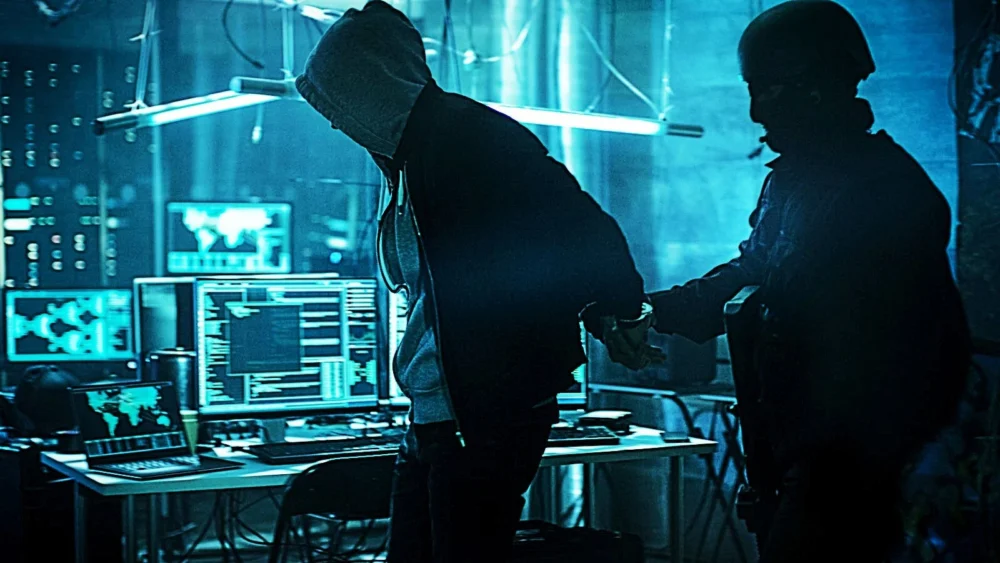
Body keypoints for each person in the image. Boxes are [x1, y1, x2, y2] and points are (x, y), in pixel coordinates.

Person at [600, 1, 971, 561]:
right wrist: (650, 311)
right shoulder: (798, 181)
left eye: (768, 89)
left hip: (854, 464)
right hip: (808, 454)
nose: (756, 111)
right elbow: (754, 271)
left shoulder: (884, 189)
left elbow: (898, 349)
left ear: (816, 87)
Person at [294, 2, 661, 561]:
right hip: (438, 417)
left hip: (482, 418)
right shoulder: (411, 159)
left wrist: (621, 314)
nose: (335, 121)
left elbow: (585, 230)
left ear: (373, 85)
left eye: (339, 101)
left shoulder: (466, 139)